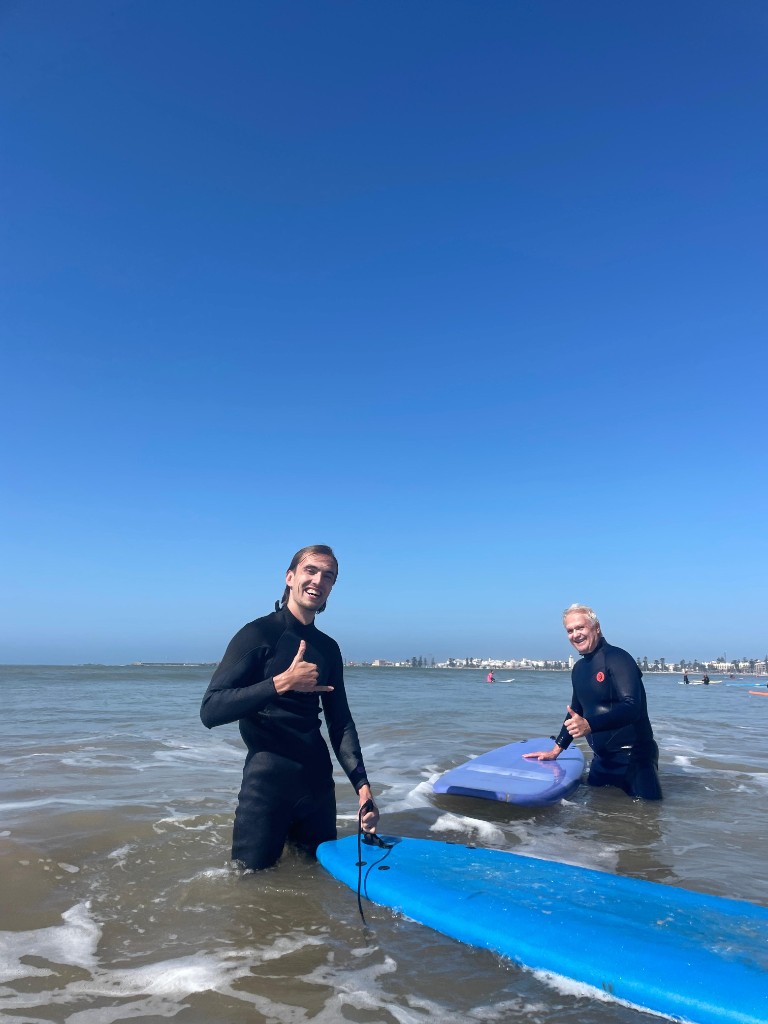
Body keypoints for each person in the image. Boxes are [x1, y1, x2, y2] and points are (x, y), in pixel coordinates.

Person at [200, 544, 379, 870]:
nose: (319, 580)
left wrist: (363, 788)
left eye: (329, 576)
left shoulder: (328, 648)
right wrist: (282, 682)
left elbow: (340, 723)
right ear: (290, 577)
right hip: (266, 789)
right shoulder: (258, 634)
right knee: (250, 891)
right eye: (311, 570)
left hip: (317, 789)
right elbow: (211, 710)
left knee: (317, 886)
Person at [524, 604, 662, 800]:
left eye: (580, 627)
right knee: (596, 819)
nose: (575, 634)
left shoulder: (617, 658)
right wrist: (556, 750)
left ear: (596, 628)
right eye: (570, 630)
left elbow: (632, 707)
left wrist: (589, 725)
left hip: (635, 759)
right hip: (602, 760)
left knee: (648, 815)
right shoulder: (579, 669)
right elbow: (575, 712)